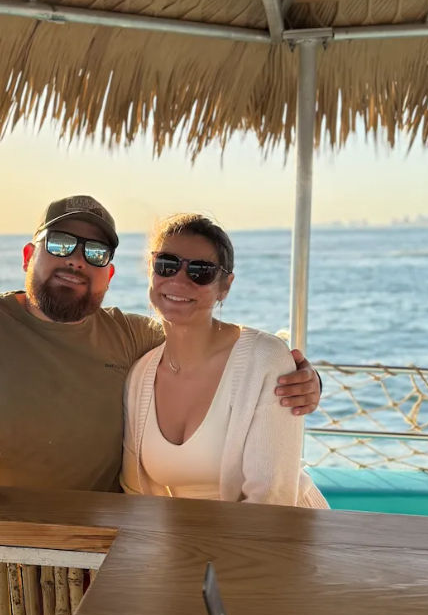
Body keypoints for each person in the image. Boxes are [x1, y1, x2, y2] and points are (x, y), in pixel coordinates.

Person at [0, 196, 322, 503]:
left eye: (95, 253)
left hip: (98, 544)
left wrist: (301, 376)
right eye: (61, 244)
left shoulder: (133, 338)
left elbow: (211, 345)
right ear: (30, 255)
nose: (76, 260)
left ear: (110, 276)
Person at [121, 214, 327, 507]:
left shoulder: (266, 359)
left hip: (281, 540)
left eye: (200, 271)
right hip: (187, 544)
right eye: (166, 265)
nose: (179, 279)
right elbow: (136, 489)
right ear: (151, 271)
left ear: (225, 286)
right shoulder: (140, 376)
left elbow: (271, 501)